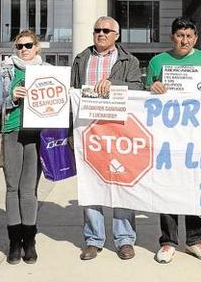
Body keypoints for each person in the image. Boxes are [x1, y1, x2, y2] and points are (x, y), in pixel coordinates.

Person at [146, 17, 201, 264]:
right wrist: (152, 87)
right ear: (172, 37)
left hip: (196, 137)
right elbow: (144, 97)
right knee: (167, 187)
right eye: (180, 35)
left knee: (194, 187)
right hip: (167, 138)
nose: (184, 40)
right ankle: (167, 242)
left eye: (189, 36)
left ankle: (194, 240)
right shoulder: (158, 61)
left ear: (196, 38)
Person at [71, 16, 143, 261]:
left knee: (122, 183)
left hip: (119, 131)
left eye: (106, 30)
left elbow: (137, 88)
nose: (100, 34)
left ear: (117, 35)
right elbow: (72, 93)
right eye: (97, 30)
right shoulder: (81, 59)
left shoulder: (129, 60)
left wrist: (114, 84)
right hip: (88, 131)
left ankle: (124, 239)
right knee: (92, 185)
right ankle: (93, 239)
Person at [0, 30, 48, 265]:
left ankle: (29, 240)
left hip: (37, 135)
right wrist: (11, 97)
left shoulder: (46, 71)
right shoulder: (5, 71)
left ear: (37, 47)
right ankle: (14, 241)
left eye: (28, 45)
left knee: (29, 189)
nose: (24, 49)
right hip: (12, 131)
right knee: (13, 188)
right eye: (19, 46)